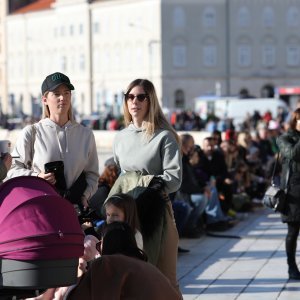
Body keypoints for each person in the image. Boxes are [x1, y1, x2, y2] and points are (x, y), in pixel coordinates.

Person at [109, 79, 182, 295]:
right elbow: (121, 175)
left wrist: (149, 188)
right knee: (130, 280)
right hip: (126, 212)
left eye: (141, 97)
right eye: (130, 97)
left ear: (151, 101)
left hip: (156, 210)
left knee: (164, 277)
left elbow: (174, 178)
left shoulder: (164, 136)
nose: (135, 102)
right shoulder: (120, 137)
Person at [6, 72, 99, 209]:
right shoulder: (32, 133)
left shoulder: (86, 135)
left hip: (74, 211)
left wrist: (85, 195)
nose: (63, 98)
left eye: (67, 93)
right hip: (42, 208)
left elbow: (92, 174)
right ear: (45, 100)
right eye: (56, 94)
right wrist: (37, 176)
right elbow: (12, 170)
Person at [65, 222, 181, 300]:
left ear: (110, 243)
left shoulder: (107, 263)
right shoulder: (142, 266)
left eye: (100, 244)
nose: (98, 249)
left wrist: (78, 278)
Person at [277, 108, 300, 280]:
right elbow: (293, 153)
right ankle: (291, 266)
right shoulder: (285, 138)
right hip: (294, 191)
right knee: (293, 231)